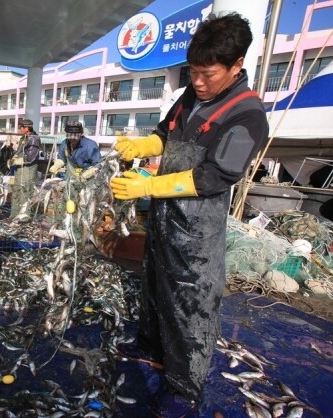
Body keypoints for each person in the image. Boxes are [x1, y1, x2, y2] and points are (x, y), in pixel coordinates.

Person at [109, 13, 268, 417]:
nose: (197, 82)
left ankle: (184, 386)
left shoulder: (247, 115)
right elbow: (165, 132)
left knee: (189, 303)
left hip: (197, 230)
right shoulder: (190, 97)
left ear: (236, 66)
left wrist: (146, 186)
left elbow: (216, 176)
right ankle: (149, 344)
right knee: (154, 283)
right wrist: (141, 145)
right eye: (193, 72)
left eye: (207, 74)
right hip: (165, 219)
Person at [10, 119, 41, 217]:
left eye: (21, 128)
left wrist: (17, 161)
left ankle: (24, 217)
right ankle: (14, 215)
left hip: (28, 171)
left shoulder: (33, 139)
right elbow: (19, 151)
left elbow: (30, 158)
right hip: (19, 170)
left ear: (27, 128)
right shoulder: (23, 138)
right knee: (16, 191)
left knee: (25, 192)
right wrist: (14, 157)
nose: (19, 130)